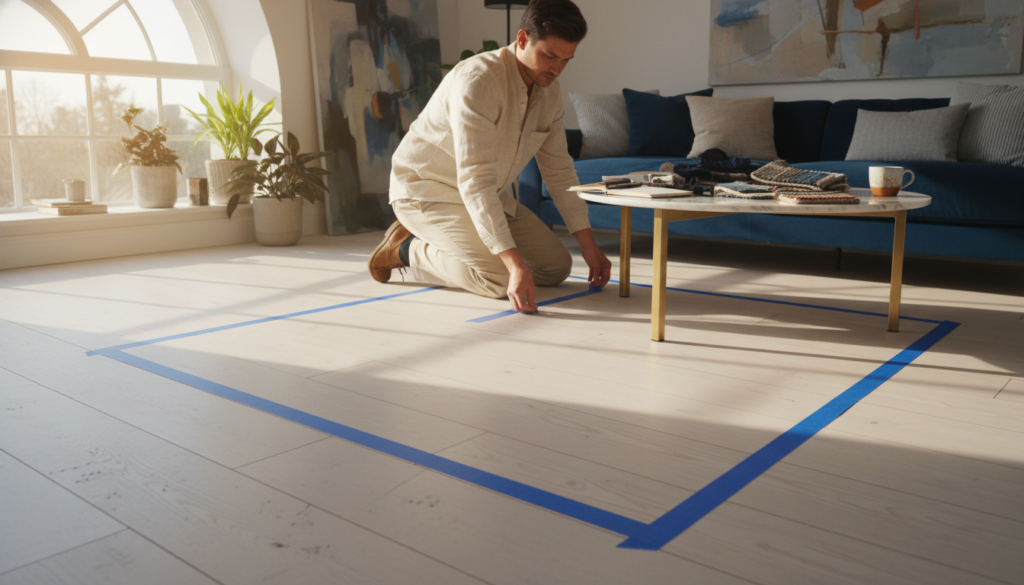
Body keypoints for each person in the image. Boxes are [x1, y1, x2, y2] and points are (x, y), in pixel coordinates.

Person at [368, 0, 610, 313]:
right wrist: (514, 265)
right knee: (500, 279)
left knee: (556, 268)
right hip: (426, 190)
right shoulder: (479, 81)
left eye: (566, 60)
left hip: (486, 195)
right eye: (550, 56)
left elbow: (559, 170)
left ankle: (467, 249)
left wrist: (590, 249)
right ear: (522, 39)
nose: (557, 69)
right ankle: (405, 249)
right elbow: (476, 179)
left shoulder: (550, 91)